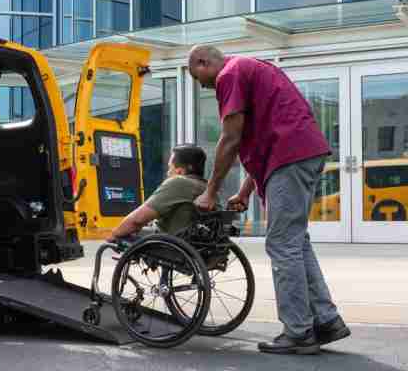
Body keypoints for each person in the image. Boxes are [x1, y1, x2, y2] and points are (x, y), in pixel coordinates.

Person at [187, 45, 350, 355]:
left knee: (282, 244)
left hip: (291, 156)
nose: (204, 86)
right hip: (300, 153)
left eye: (199, 78)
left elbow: (231, 138)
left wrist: (210, 191)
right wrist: (245, 191)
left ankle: (298, 332)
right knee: (296, 242)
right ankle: (327, 321)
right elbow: (262, 137)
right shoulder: (252, 69)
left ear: (204, 62)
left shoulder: (229, 74)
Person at [108, 145, 208, 242]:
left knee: (125, 233)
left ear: (180, 171)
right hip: (194, 248)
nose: (168, 173)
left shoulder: (179, 183)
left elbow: (137, 220)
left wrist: (114, 234)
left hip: (168, 246)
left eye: (170, 168)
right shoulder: (207, 190)